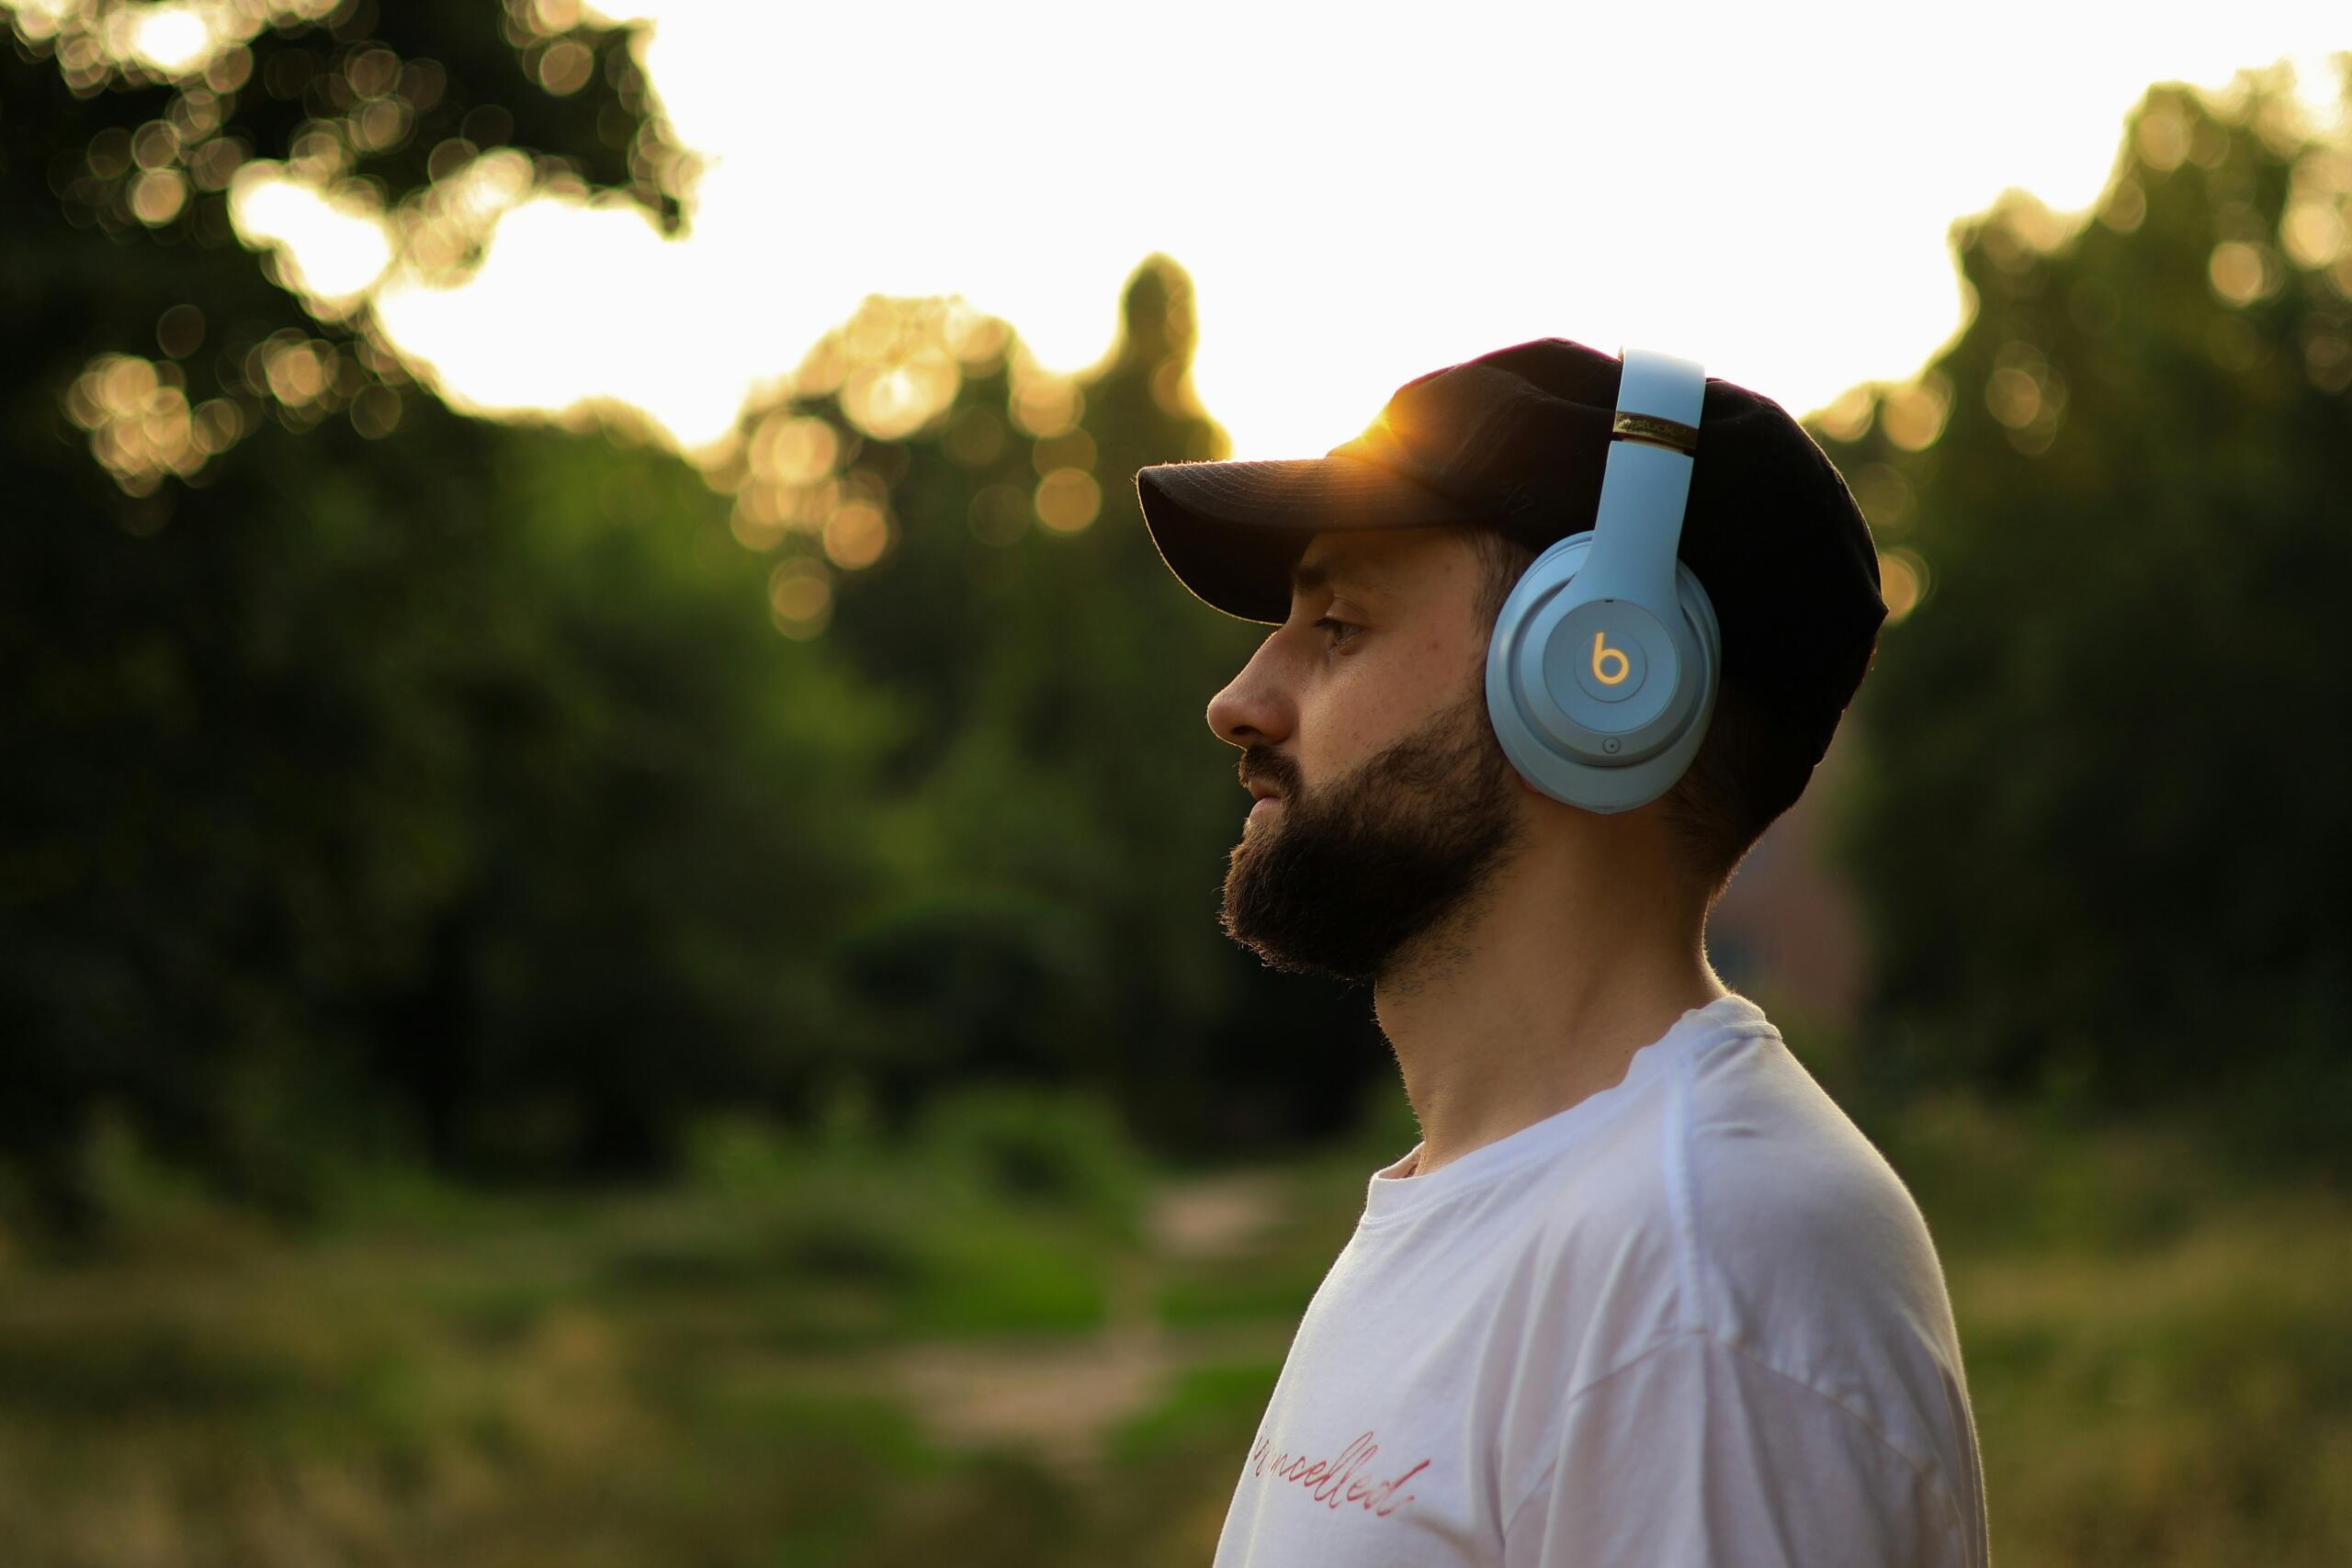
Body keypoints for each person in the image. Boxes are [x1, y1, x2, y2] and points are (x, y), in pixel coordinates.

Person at [1131, 339, 1989, 1568]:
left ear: (1599, 677)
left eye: (1338, 624)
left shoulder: (1700, 1271)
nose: (1240, 699)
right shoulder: (1508, 1204)